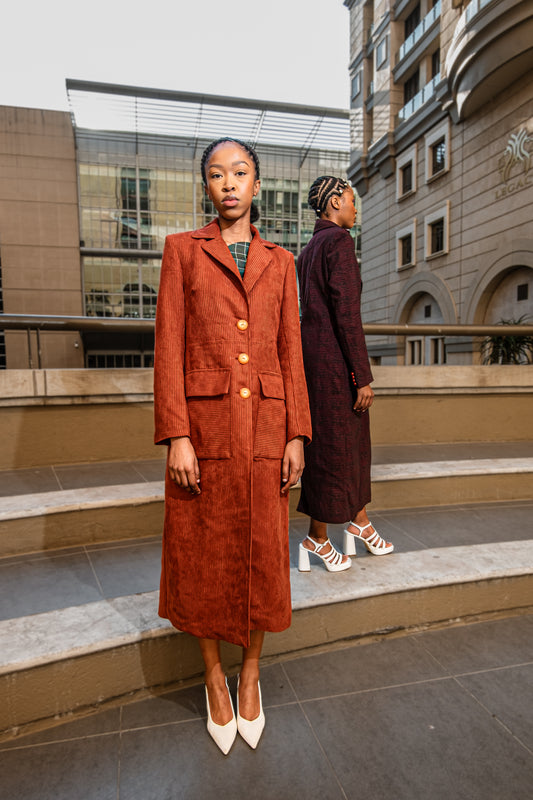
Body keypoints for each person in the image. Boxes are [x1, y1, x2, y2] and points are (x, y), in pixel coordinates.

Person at [153, 137, 311, 754]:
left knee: (264, 556)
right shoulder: (182, 253)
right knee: (202, 556)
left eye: (239, 173)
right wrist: (177, 436)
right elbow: (168, 348)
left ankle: (251, 675)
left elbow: (290, 352)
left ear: (258, 184)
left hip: (268, 433)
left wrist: (298, 432)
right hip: (206, 434)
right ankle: (214, 677)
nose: (228, 184)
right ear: (206, 186)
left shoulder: (282, 261)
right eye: (217, 175)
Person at [296, 175, 393, 573]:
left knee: (344, 448)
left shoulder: (308, 250)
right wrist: (362, 376)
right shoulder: (338, 242)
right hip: (337, 369)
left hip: (316, 366)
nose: (356, 208)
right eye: (352, 200)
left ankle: (359, 522)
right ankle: (316, 539)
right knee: (335, 452)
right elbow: (347, 315)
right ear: (335, 201)